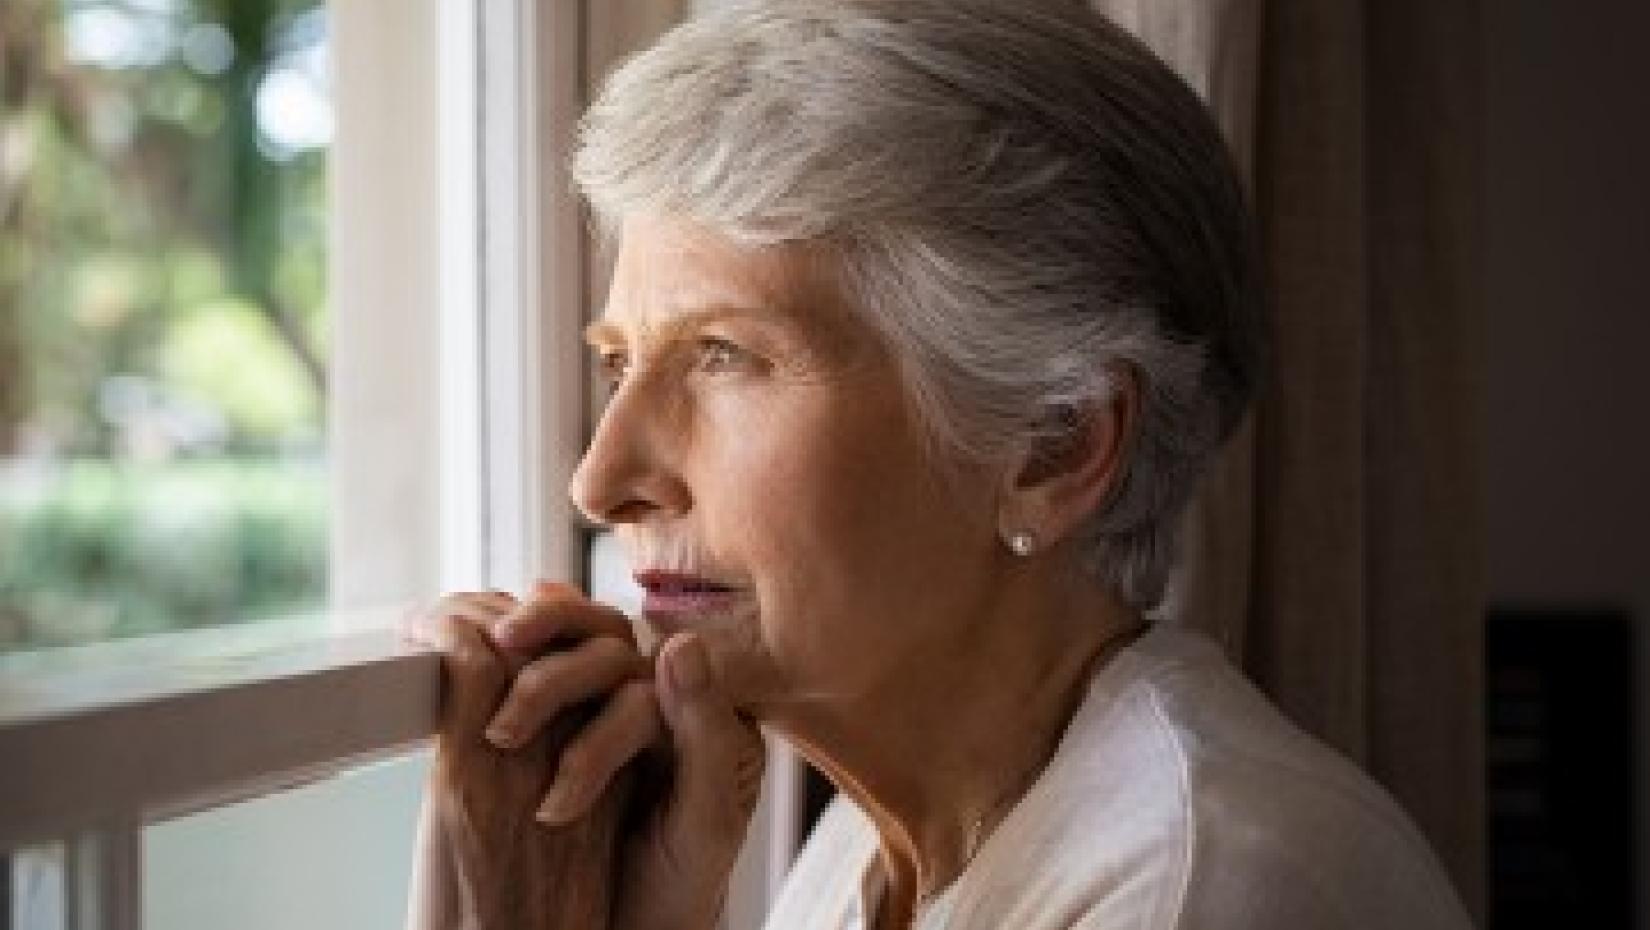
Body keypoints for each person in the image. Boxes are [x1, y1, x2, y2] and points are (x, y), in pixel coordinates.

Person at [409, 0, 1476, 927]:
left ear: (1055, 448)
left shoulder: (1205, 888)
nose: (600, 482)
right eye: (618, 365)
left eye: (725, 357)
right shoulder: (865, 859)